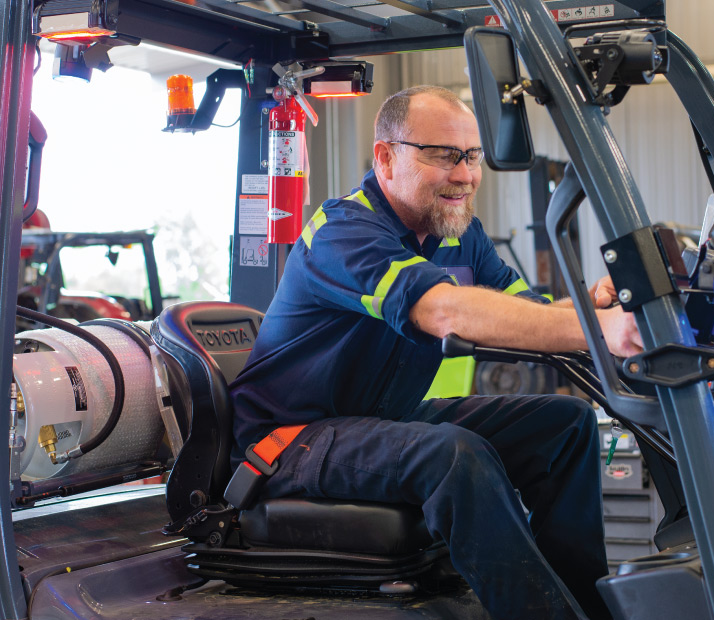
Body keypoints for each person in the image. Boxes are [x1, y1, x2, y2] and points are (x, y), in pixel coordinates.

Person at [230, 85, 643, 620]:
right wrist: (598, 331)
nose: (466, 175)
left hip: (381, 418)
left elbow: (527, 311)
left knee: (566, 423)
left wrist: (597, 311)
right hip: (293, 438)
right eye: (445, 155)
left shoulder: (458, 234)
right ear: (386, 157)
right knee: (453, 452)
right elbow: (441, 309)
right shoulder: (342, 234)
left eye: (471, 157)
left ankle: (585, 606)